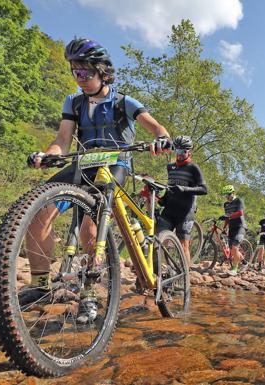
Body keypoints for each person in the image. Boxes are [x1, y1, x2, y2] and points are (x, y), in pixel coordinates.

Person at [24, 38, 171, 322]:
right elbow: (63, 140)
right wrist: (50, 154)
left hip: (116, 163)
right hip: (83, 163)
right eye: (74, 72)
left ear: (103, 71)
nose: (79, 78)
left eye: (85, 72)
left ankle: (89, 295)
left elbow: (156, 128)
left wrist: (162, 140)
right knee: (37, 209)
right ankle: (40, 285)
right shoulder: (73, 102)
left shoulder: (124, 101)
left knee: (90, 229)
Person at [155, 136, 207, 267]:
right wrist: (161, 199)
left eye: (183, 151)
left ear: (190, 152)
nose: (179, 155)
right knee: (157, 241)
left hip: (185, 213)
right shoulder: (170, 167)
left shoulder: (193, 168)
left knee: (184, 245)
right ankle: (155, 274)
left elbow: (204, 189)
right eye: (177, 151)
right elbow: (170, 187)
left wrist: (184, 189)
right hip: (169, 210)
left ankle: (186, 277)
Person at [219, 185, 246, 275]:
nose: (227, 197)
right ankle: (245, 263)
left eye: (228, 194)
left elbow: (240, 213)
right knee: (233, 250)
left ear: (233, 193)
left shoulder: (238, 201)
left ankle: (234, 269)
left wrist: (228, 216)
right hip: (232, 228)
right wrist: (224, 228)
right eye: (225, 195)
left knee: (234, 248)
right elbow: (227, 218)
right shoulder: (226, 204)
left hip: (240, 227)